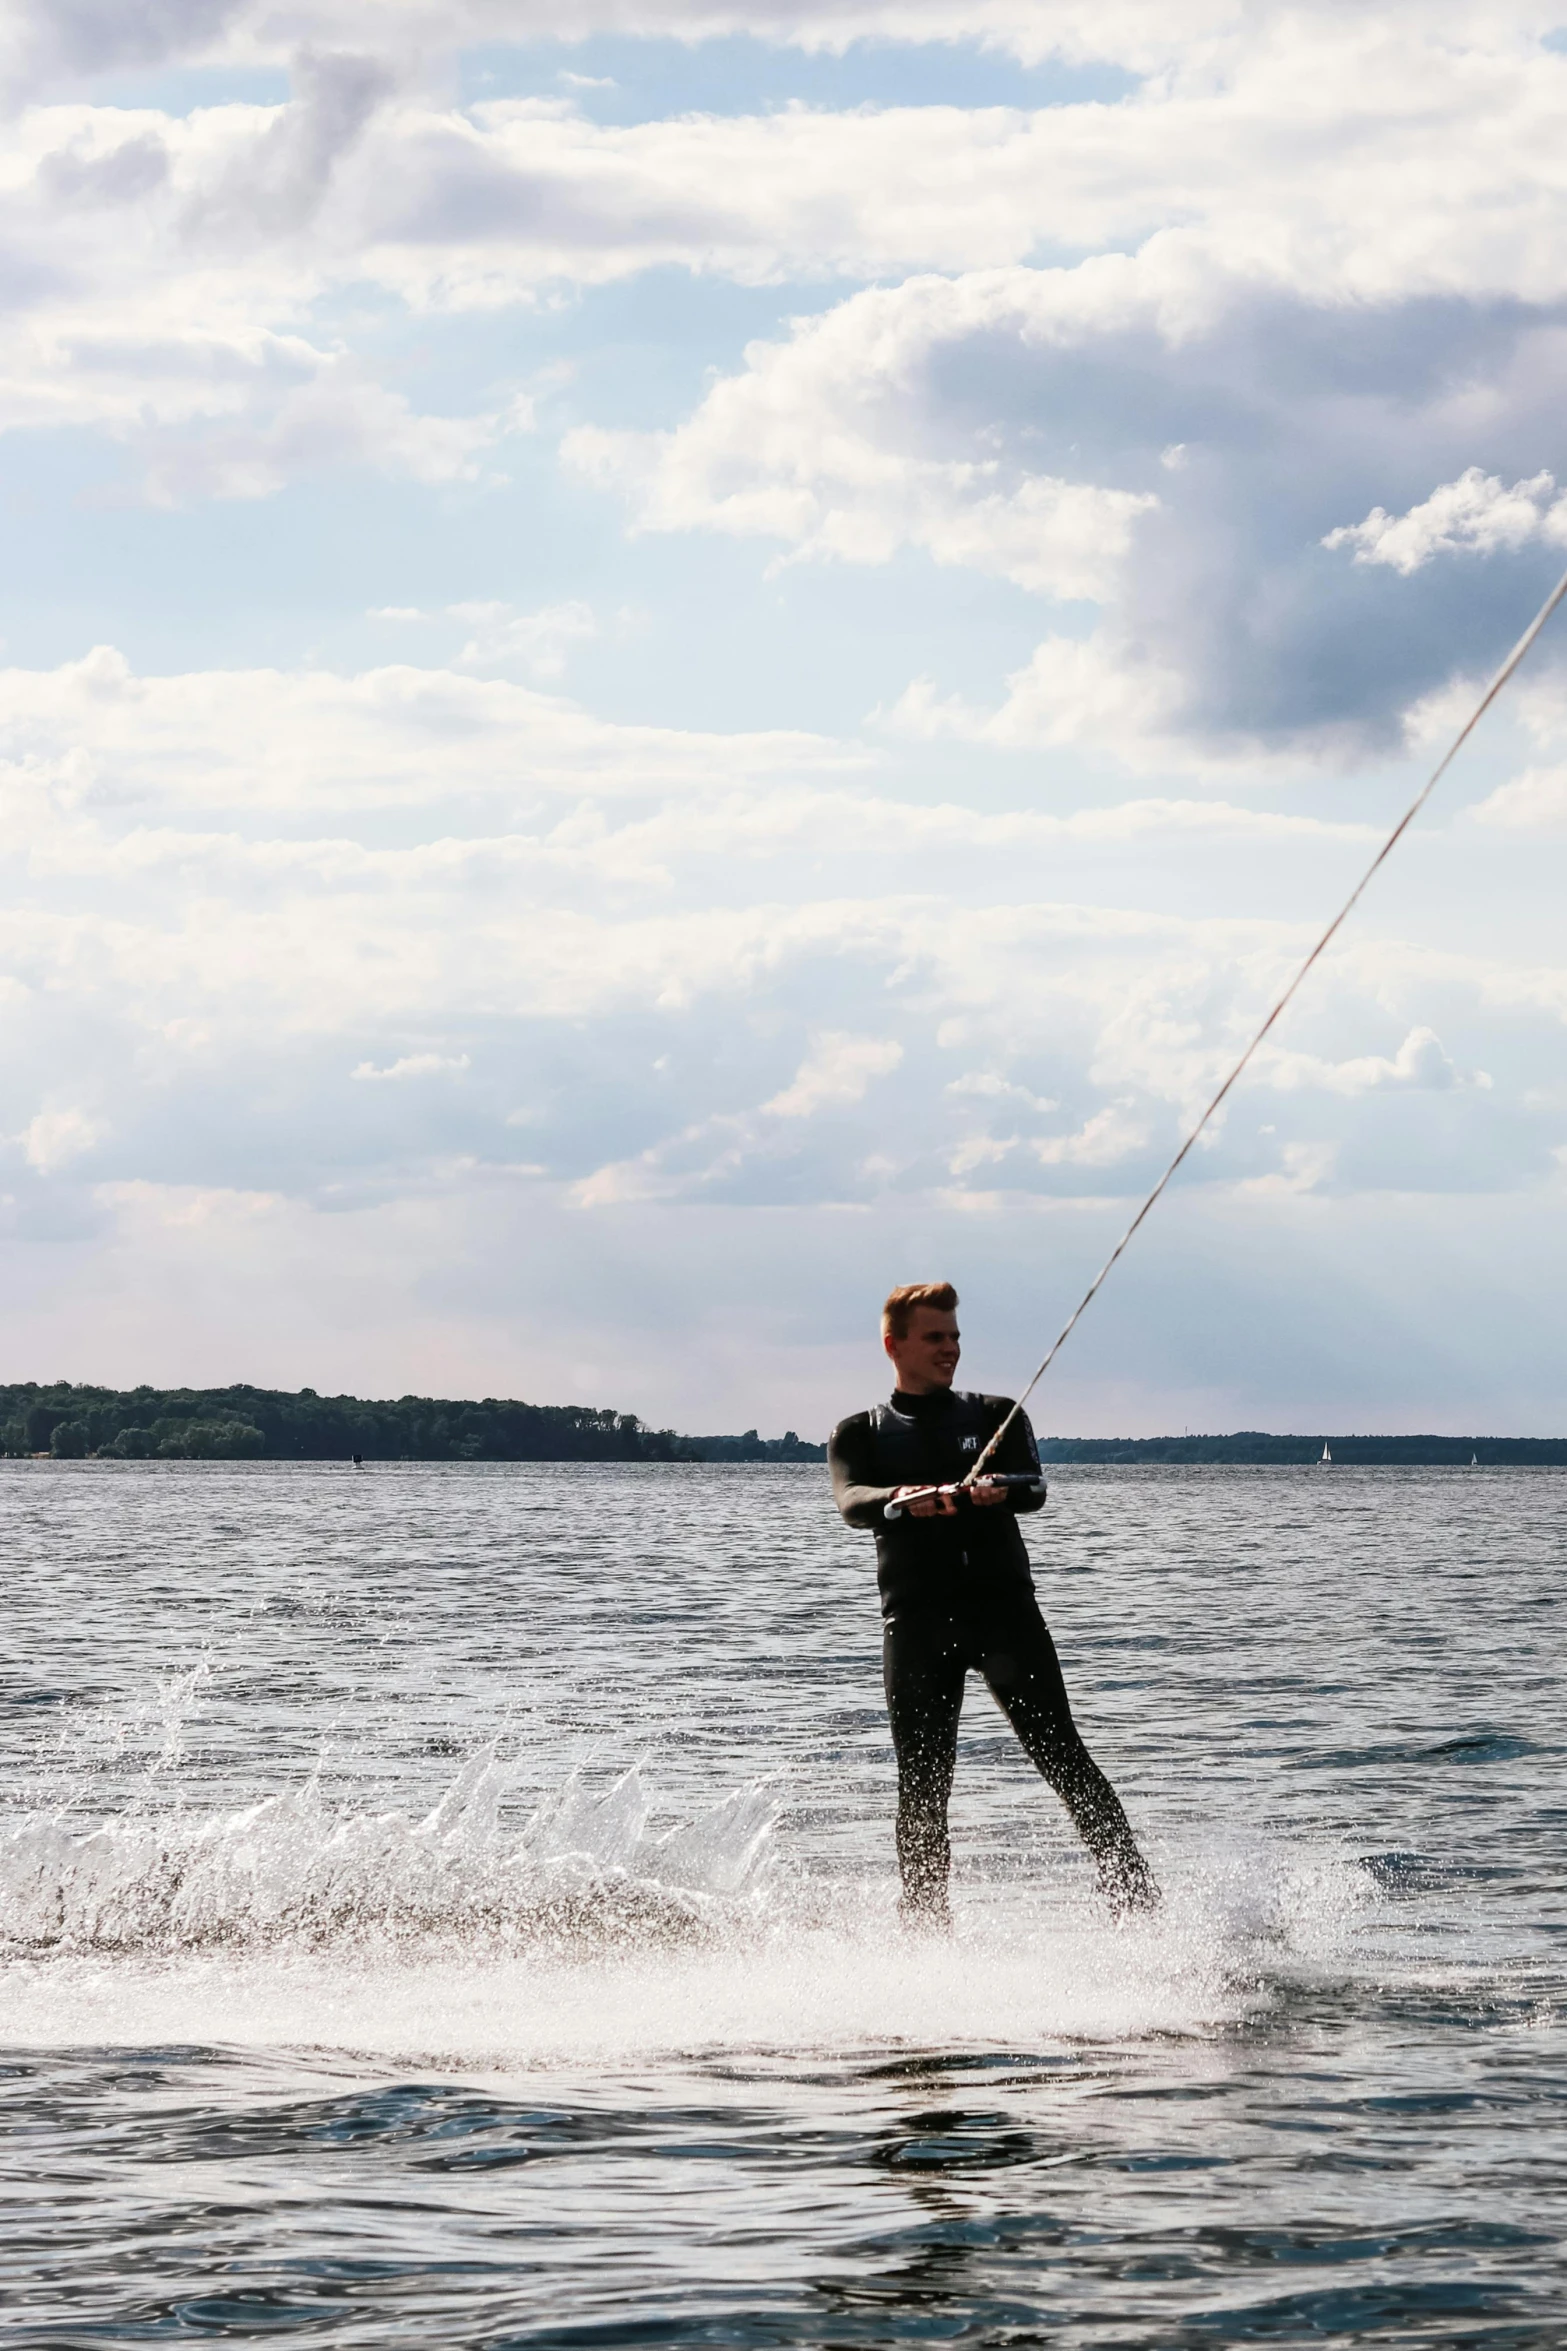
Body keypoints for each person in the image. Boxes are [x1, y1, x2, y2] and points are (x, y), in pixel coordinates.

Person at [829, 1280, 1156, 1926]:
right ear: (893, 1345)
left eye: (954, 1336)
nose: (949, 1348)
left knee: (1063, 1754)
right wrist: (904, 1497)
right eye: (934, 1337)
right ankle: (926, 1929)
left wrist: (997, 1489)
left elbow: (1033, 1487)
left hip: (1002, 1616)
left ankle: (1137, 1905)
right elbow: (850, 1501)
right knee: (922, 1789)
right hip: (917, 1626)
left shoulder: (995, 1415)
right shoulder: (857, 1433)